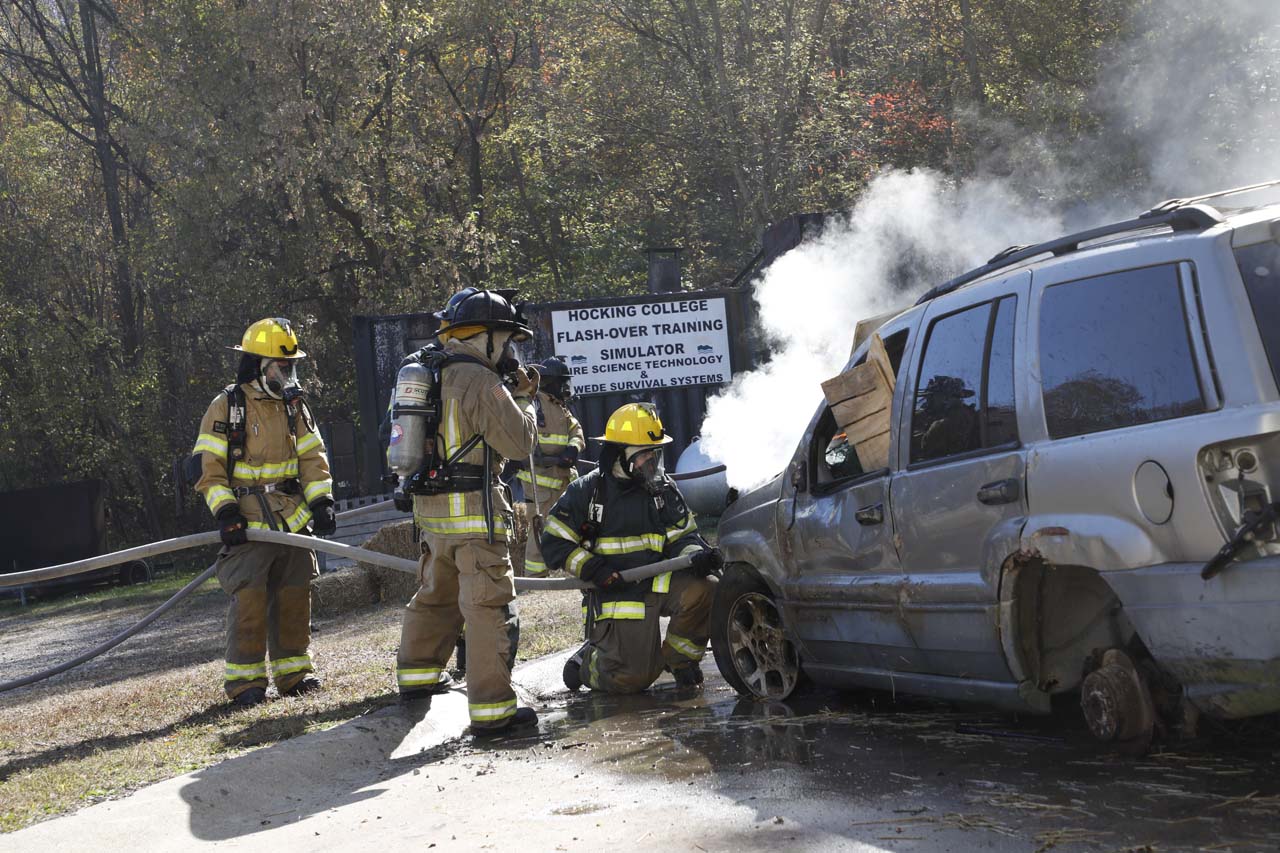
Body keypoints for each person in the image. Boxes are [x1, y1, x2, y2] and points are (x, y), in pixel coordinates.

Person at [394, 288, 541, 737]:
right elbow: (519, 443)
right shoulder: (479, 380)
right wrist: (528, 402)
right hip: (475, 517)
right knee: (486, 606)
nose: (511, 352)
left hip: (433, 516)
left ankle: (416, 678)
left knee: (436, 593)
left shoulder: (429, 371)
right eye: (508, 340)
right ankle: (493, 710)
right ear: (487, 338)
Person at [192, 317, 335, 706]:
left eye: (292, 367)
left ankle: (294, 673)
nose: (289, 374)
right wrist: (226, 513)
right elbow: (209, 470)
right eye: (282, 366)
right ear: (258, 364)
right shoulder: (227, 406)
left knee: (295, 596)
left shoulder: (295, 406)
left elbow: (312, 457)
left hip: (292, 517)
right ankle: (246, 684)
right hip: (250, 521)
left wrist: (321, 501)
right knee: (250, 601)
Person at [540, 402, 722, 694]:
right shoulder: (587, 491)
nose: (651, 463)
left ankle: (680, 661)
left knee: (707, 588)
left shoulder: (662, 490)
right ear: (618, 455)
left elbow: (684, 536)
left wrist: (694, 557)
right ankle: (588, 662)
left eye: (655, 454)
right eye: (643, 455)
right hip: (617, 590)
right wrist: (592, 567)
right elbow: (553, 542)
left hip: (659, 582)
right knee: (632, 681)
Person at [518, 357, 585, 576]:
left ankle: (567, 567)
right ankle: (536, 576)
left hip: (563, 477)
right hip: (540, 480)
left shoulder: (560, 406)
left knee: (566, 524)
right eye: (561, 382)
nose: (565, 388)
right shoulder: (532, 403)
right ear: (548, 382)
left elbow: (576, 431)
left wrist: (573, 449)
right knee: (540, 526)